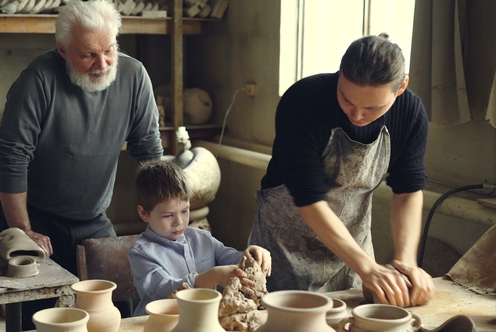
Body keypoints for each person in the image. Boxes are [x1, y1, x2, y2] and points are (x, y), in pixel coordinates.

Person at [0, 0, 163, 328]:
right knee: (41, 320)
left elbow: (149, 152)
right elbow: (11, 157)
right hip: (35, 217)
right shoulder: (37, 80)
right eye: (88, 55)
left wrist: (161, 220)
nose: (102, 63)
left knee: (118, 315)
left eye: (109, 49)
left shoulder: (134, 75)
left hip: (94, 218)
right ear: (62, 50)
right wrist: (24, 231)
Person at [249, 33, 435, 307]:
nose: (357, 115)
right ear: (340, 75)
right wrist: (368, 267)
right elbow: (309, 199)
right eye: (347, 100)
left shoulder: (411, 113)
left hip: (351, 244)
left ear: (401, 87)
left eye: (373, 107)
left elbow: (407, 191)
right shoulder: (303, 100)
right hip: (284, 242)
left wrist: (405, 264)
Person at [128, 160, 272, 316]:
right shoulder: (141, 253)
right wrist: (213, 276)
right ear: (144, 213)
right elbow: (165, 290)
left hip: (204, 320)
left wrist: (250, 255)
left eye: (185, 210)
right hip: (160, 325)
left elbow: (230, 259)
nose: (179, 222)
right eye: (168, 215)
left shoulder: (201, 238)